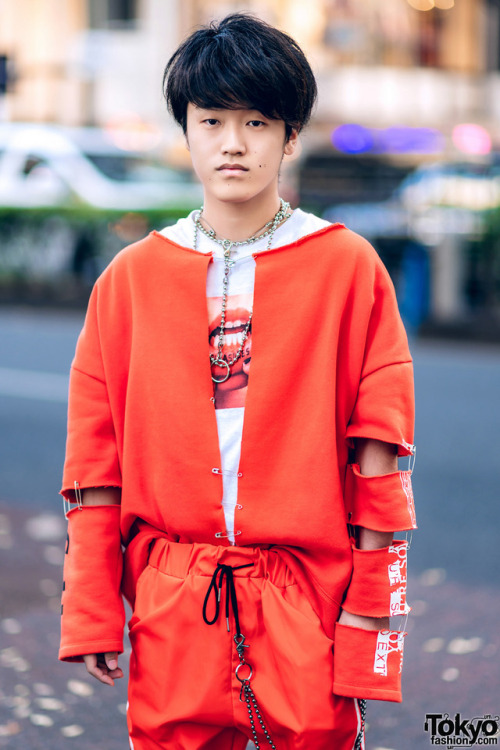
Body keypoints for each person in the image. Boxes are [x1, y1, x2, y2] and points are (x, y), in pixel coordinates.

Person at [59, 12, 416, 750]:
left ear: (290, 137)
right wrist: (92, 605)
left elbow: (382, 454)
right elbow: (95, 464)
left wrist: (370, 613)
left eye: (257, 122)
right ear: (184, 132)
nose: (232, 143)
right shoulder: (129, 280)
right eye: (211, 119)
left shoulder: (347, 268)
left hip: (307, 594)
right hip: (172, 594)